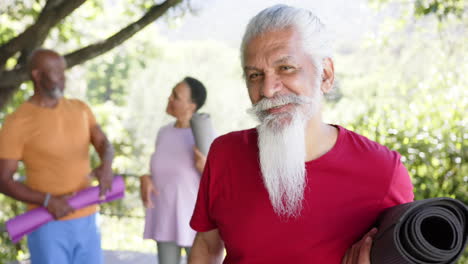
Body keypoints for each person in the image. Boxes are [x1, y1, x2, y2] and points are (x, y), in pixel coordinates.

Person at [188, 5, 414, 264]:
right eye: (255, 75)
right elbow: (206, 246)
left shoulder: (384, 171)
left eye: (286, 68)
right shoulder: (225, 154)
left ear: (325, 75)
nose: (268, 90)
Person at [0, 49, 114, 264]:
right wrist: (46, 200)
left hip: (88, 220)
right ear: (37, 75)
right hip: (47, 223)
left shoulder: (80, 109)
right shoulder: (17, 122)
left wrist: (106, 164)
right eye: (56, 73)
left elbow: (103, 143)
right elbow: (3, 179)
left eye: (64, 72)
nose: (63, 79)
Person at [140, 77, 209, 264]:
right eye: (171, 93)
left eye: (176, 96)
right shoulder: (164, 132)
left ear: (191, 106)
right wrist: (146, 178)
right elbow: (162, 171)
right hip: (165, 219)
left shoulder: (205, 137)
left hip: (194, 225)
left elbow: (218, 184)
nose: (169, 98)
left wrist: (206, 169)